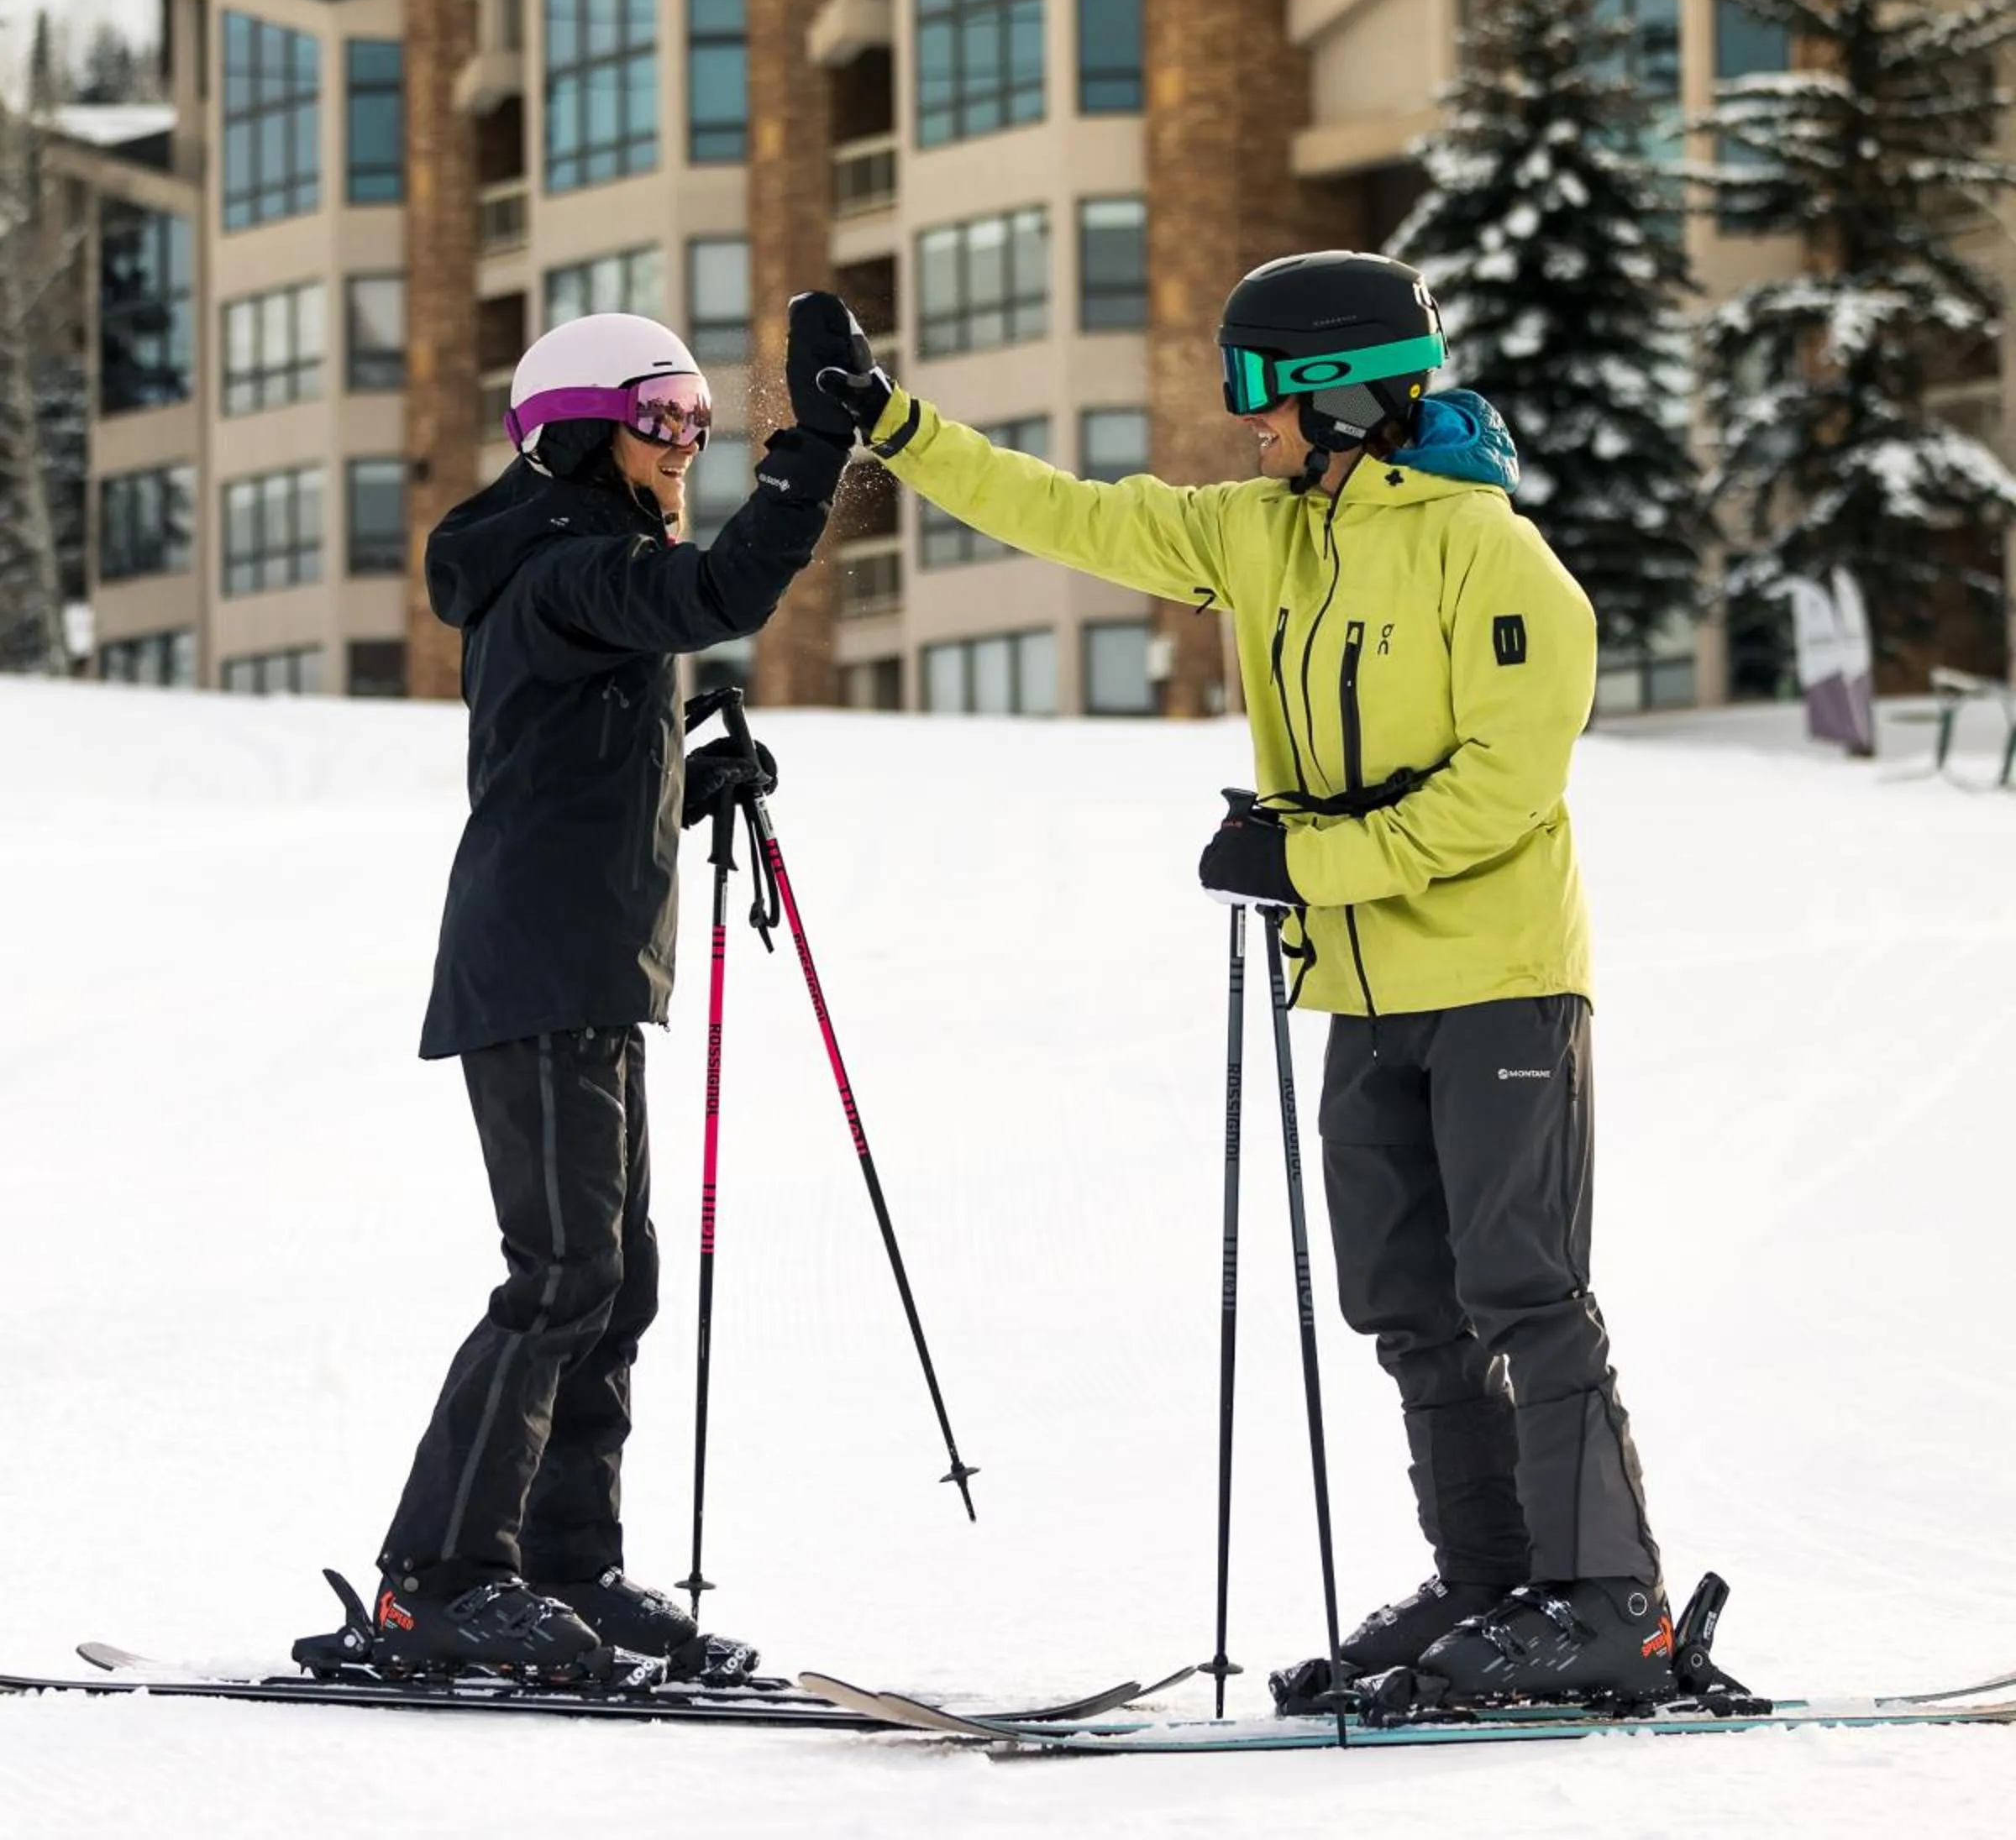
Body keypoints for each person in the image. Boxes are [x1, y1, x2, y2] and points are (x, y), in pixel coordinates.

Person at [784, 259, 1670, 1705]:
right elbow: (1070, 515)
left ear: (1346, 394)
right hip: (1361, 992)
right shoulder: (1265, 537)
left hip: (1502, 979)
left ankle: (1605, 1605)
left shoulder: (1497, 560)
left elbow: (1501, 795)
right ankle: (1491, 1581)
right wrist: (894, 424)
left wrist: (1304, 859)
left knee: (1525, 1290)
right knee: (1404, 1303)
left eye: (1260, 388)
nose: (1240, 420)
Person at [370, 311, 843, 1680]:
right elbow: (718, 601)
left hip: (578, 965)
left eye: (701, 419)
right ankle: (440, 1581)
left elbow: (569, 787)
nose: (689, 442)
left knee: (612, 1282)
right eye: (664, 418)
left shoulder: (576, 568)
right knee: (563, 1275)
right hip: (538, 971)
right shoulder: (570, 566)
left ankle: (570, 1571)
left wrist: (695, 786)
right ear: (580, 432)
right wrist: (810, 459)